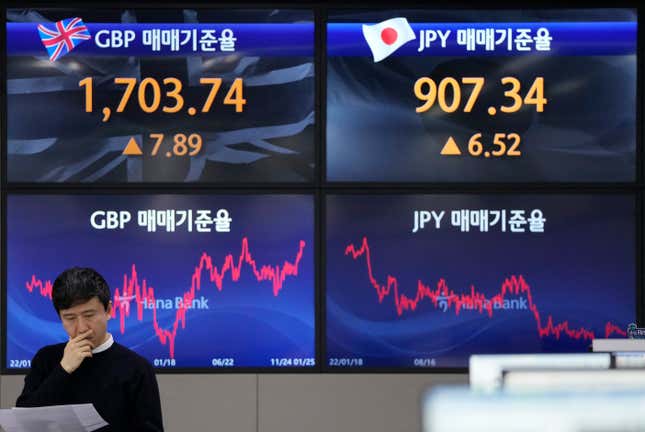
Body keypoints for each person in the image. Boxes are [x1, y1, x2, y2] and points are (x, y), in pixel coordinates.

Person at [16, 267, 164, 432]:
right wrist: (63, 369)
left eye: (89, 315)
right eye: (70, 318)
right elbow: (24, 422)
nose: (81, 328)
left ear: (108, 310)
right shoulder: (46, 359)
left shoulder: (137, 368)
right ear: (60, 318)